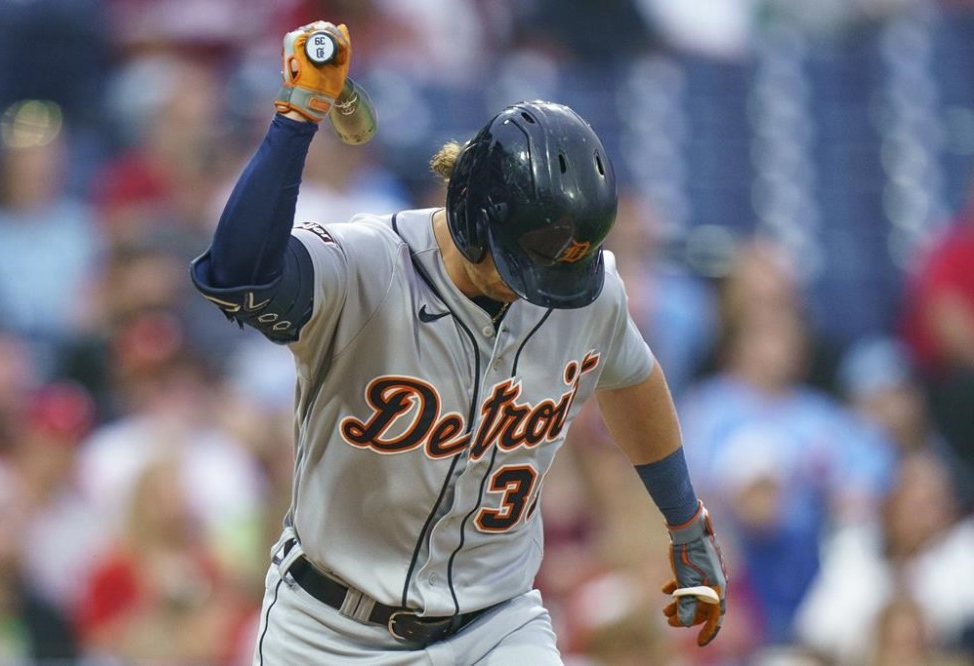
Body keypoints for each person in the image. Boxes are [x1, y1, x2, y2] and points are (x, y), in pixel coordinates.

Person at [190, 21, 727, 664]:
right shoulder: (367, 266)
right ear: (473, 214)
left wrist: (683, 519)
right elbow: (239, 275)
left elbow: (633, 377)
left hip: (492, 623)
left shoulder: (586, 293)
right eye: (526, 265)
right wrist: (297, 118)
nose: (541, 290)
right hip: (331, 629)